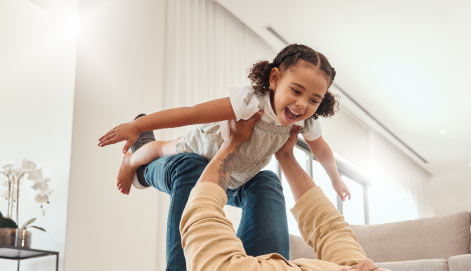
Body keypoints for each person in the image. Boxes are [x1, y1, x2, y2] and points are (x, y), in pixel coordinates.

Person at [159, 112, 428, 271]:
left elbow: (201, 217)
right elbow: (331, 230)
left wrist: (230, 146)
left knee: (190, 168)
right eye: (373, 268)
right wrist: (286, 156)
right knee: (266, 182)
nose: (364, 264)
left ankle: (140, 167)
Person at [97, 44, 351, 202]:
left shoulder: (304, 123)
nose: (302, 105)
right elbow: (192, 113)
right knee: (163, 148)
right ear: (274, 79)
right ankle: (131, 160)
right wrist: (138, 127)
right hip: (204, 147)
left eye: (314, 100)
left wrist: (335, 179)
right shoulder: (252, 101)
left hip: (233, 172)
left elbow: (322, 151)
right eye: (296, 91)